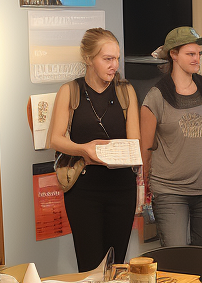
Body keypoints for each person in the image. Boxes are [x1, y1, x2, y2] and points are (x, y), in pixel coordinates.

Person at [48, 27, 140, 269]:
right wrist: (84, 149)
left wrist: (116, 154)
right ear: (88, 59)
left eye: (117, 58)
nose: (114, 65)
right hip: (84, 191)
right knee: (89, 266)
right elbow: (55, 140)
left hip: (122, 189)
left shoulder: (125, 91)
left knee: (116, 265)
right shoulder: (70, 91)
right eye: (107, 59)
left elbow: (135, 144)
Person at [141, 27, 202, 249]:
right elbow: (145, 149)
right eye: (190, 54)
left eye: (199, 54)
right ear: (173, 55)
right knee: (177, 260)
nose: (197, 59)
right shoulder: (156, 96)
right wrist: (144, 190)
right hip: (170, 192)